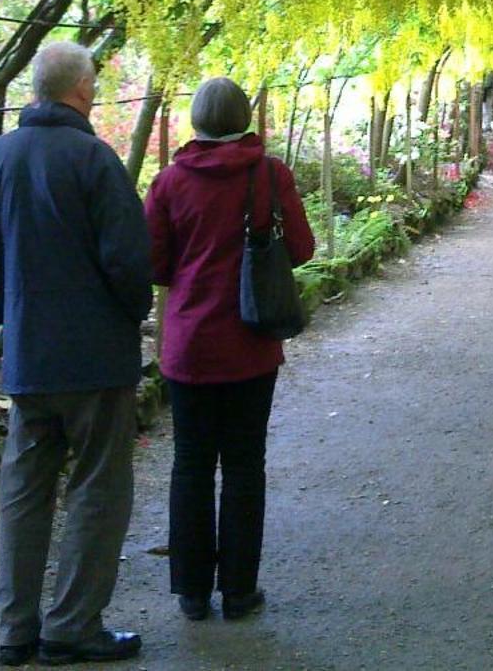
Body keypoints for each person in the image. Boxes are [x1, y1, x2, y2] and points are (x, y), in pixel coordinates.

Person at [0, 41, 154, 667]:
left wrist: (11, 317)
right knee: (97, 488)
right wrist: (129, 316)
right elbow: (129, 263)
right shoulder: (96, 161)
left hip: (31, 360)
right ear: (83, 90)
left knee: (23, 491)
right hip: (96, 362)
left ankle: (15, 630)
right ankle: (71, 625)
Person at [145, 78, 316, 625]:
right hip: (251, 343)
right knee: (245, 466)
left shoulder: (169, 182)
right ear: (245, 118)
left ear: (195, 121)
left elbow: (154, 264)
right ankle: (239, 591)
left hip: (190, 346)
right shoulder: (270, 174)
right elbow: (303, 248)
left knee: (191, 465)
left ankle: (192, 593)